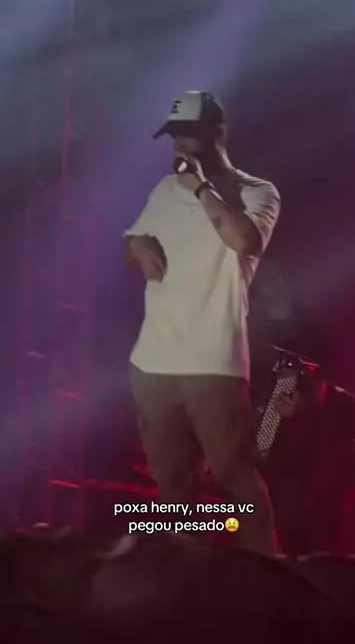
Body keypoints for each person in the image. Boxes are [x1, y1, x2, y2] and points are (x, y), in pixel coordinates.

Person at [123, 90, 281, 555]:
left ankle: (268, 577)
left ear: (219, 134)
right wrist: (136, 247)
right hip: (153, 362)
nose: (179, 145)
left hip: (213, 362)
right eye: (174, 136)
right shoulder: (164, 191)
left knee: (235, 479)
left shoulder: (257, 191)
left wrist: (201, 189)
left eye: (190, 134)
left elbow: (245, 241)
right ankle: (185, 574)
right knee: (172, 486)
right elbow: (130, 245)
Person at [263, 363, 355, 556]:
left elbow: (346, 456)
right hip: (290, 497)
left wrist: (303, 417)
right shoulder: (282, 398)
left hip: (329, 498)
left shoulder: (346, 405)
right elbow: (272, 453)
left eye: (305, 372)